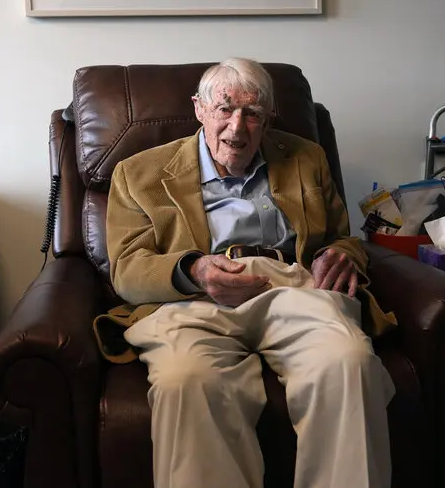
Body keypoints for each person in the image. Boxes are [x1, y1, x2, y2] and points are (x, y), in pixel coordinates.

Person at [100, 58, 398, 488]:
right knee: (187, 379)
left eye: (252, 113)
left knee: (348, 361)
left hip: (293, 288)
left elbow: (341, 238)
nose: (237, 127)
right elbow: (127, 269)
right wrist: (194, 269)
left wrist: (340, 253)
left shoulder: (306, 157)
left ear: (268, 118)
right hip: (194, 298)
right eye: (224, 109)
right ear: (199, 109)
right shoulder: (137, 173)